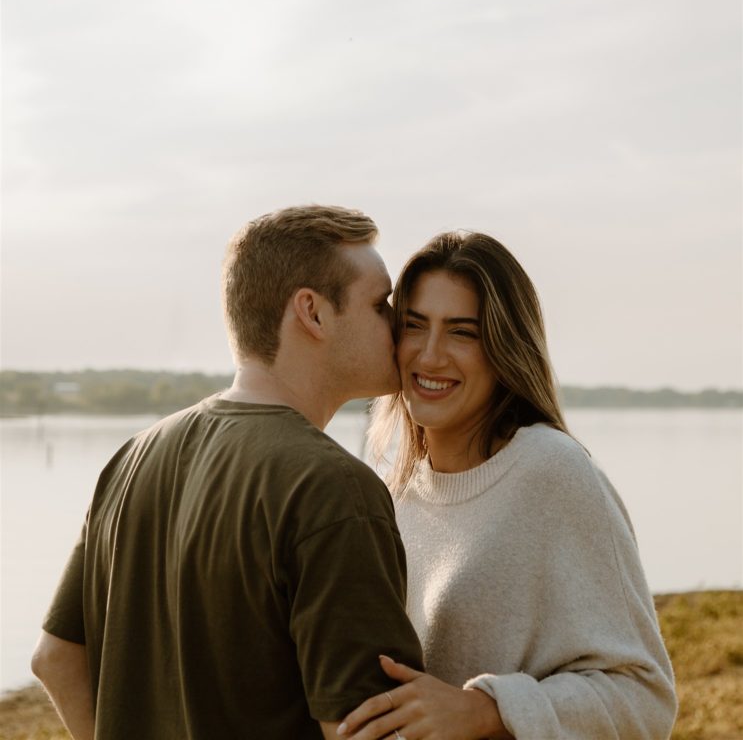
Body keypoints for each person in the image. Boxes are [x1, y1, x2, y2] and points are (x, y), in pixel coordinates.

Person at [32, 205, 424, 740]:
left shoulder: (132, 457)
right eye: (381, 305)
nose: (399, 325)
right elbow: (367, 728)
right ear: (312, 312)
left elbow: (55, 658)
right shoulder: (333, 488)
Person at [338, 231, 678, 740]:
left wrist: (486, 710)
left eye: (462, 332)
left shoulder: (552, 472)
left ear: (502, 347)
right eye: (415, 325)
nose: (429, 357)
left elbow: (644, 697)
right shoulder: (393, 491)